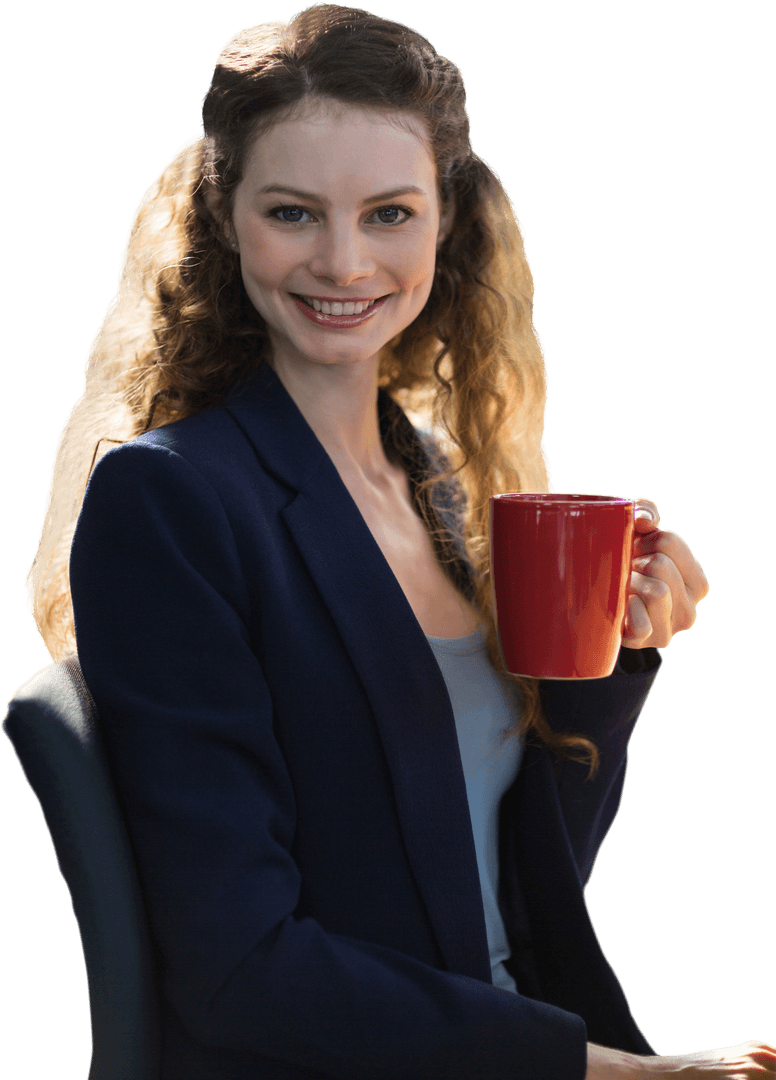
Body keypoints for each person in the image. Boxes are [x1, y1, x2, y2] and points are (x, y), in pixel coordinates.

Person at [25, 5, 770, 1079]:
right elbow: (239, 970)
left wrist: (615, 665)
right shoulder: (170, 500)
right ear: (224, 220)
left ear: (443, 226)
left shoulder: (432, 482)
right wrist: (609, 1074)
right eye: (292, 212)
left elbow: (516, 879)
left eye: (387, 214)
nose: (342, 262)